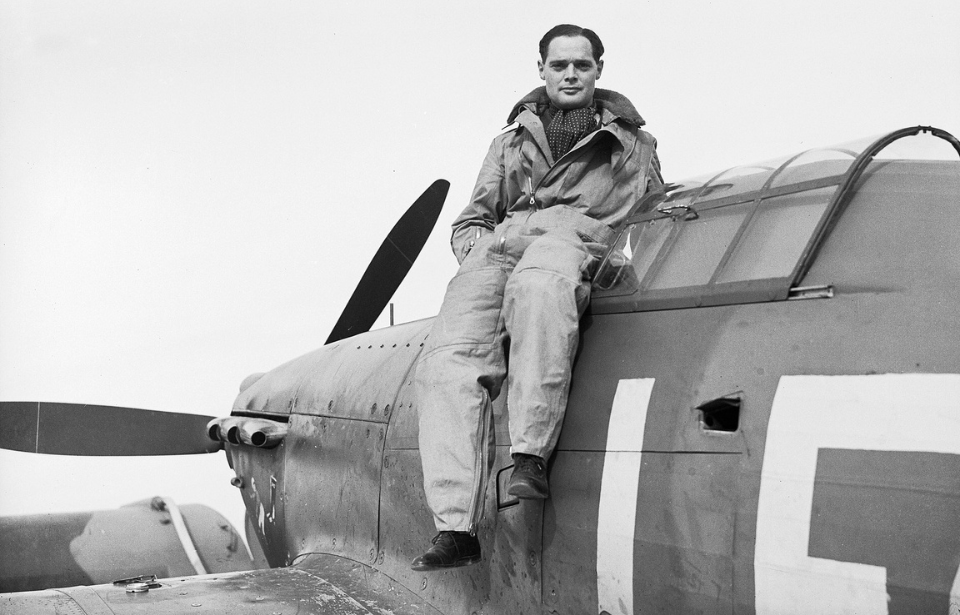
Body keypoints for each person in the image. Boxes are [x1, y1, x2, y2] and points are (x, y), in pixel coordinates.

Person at [412, 24, 663, 571]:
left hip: (570, 240)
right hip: (500, 250)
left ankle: (529, 456)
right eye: (559, 65)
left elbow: (652, 218)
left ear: (599, 70)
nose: (570, 74)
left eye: (582, 65)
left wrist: (610, 261)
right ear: (542, 70)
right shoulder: (509, 141)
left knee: (540, 290)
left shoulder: (636, 144)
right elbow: (473, 216)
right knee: (444, 362)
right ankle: (455, 527)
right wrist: (474, 251)